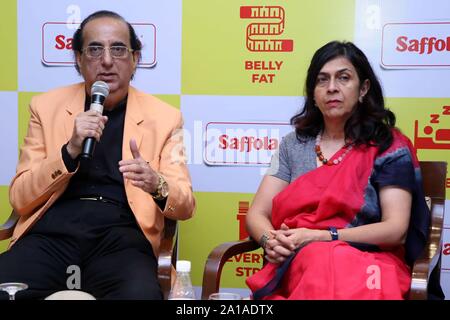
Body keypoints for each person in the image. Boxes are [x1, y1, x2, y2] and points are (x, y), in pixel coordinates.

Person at [0, 10, 195, 300]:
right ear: (78, 59)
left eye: (118, 49)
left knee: (139, 295)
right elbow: (20, 197)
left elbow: (186, 205)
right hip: (52, 233)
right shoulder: (45, 107)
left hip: (121, 239)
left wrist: (157, 184)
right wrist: (69, 151)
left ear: (135, 59)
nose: (106, 61)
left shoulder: (165, 118)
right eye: (94, 50)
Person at [245, 41, 431, 300]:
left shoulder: (388, 146)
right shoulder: (292, 145)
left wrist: (323, 237)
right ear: (313, 93)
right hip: (297, 262)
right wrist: (270, 241)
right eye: (322, 80)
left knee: (324, 258)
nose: (332, 87)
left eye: (343, 78)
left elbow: (395, 229)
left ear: (363, 88)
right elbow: (257, 212)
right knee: (317, 259)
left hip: (368, 262)